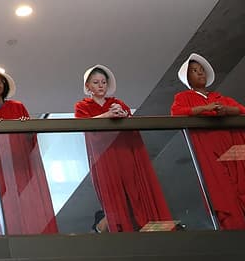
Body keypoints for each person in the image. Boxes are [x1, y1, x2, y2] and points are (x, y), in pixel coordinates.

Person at [171, 53, 245, 230]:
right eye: (194, 71)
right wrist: (205, 109)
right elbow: (176, 113)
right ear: (188, 78)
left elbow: (243, 110)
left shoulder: (219, 97)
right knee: (222, 189)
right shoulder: (184, 97)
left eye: (201, 70)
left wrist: (225, 110)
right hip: (209, 150)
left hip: (232, 148)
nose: (200, 73)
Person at [73, 64, 174, 232]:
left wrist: (122, 114)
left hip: (123, 152)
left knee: (134, 187)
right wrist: (108, 115)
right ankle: (120, 228)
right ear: (88, 86)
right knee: (113, 193)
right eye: (96, 82)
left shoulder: (117, 103)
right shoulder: (82, 106)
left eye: (103, 82)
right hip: (104, 156)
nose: (100, 86)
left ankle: (144, 224)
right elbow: (83, 125)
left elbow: (130, 122)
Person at [0, 68, 58, 234]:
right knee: (8, 204)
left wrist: (24, 128)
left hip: (21, 166)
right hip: (1, 168)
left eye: (1, 81)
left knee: (29, 201)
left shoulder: (17, 107)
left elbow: (30, 140)